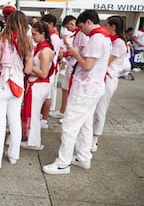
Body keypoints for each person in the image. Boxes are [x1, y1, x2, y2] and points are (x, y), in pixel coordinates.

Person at [42, 10, 111, 175]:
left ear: (88, 22)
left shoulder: (96, 38)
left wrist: (74, 53)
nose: (81, 31)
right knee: (85, 124)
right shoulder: (104, 37)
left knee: (70, 125)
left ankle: (63, 163)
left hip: (85, 88)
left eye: (81, 26)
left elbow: (87, 65)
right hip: (93, 87)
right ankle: (83, 156)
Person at [0, 11, 33, 175]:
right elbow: (28, 70)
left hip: (1, 85)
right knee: (14, 120)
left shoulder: (1, 40)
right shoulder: (29, 43)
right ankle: (13, 155)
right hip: (17, 86)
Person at [91, 16, 127, 152]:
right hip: (102, 77)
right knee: (94, 108)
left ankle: (95, 140)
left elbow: (106, 61)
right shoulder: (110, 40)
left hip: (109, 78)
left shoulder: (119, 43)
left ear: (113, 26)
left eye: (106, 25)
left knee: (100, 109)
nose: (104, 27)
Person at [21, 21, 54, 150]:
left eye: (35, 34)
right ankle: (32, 139)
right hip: (37, 84)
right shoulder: (42, 48)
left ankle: (34, 142)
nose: (33, 37)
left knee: (34, 115)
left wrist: (30, 66)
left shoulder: (45, 50)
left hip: (39, 85)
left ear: (43, 34)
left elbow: (44, 73)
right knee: (32, 113)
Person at [49, 15, 89, 121]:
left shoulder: (82, 34)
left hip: (75, 64)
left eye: (68, 27)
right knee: (65, 88)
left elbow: (80, 51)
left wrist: (66, 53)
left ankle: (68, 114)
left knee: (71, 90)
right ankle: (63, 111)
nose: (68, 30)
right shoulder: (77, 34)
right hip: (72, 63)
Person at [40, 14, 63, 129]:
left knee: (46, 95)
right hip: (48, 68)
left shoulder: (53, 37)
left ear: (50, 24)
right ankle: (42, 117)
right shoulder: (53, 36)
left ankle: (44, 120)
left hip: (49, 69)